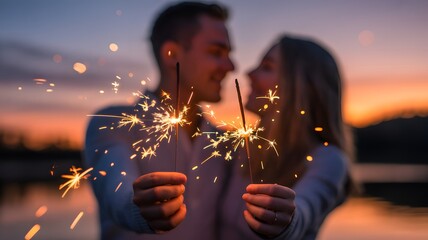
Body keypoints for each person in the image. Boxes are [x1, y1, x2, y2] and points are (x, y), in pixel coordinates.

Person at [84, 2, 235, 239]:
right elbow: (116, 191)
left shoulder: (224, 142)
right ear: (172, 54)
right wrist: (139, 208)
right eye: (216, 52)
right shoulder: (113, 123)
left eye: (229, 55)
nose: (230, 66)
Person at [226, 34, 354, 239]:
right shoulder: (241, 150)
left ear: (298, 85)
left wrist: (287, 221)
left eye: (267, 67)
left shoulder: (328, 159)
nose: (249, 73)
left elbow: (305, 209)